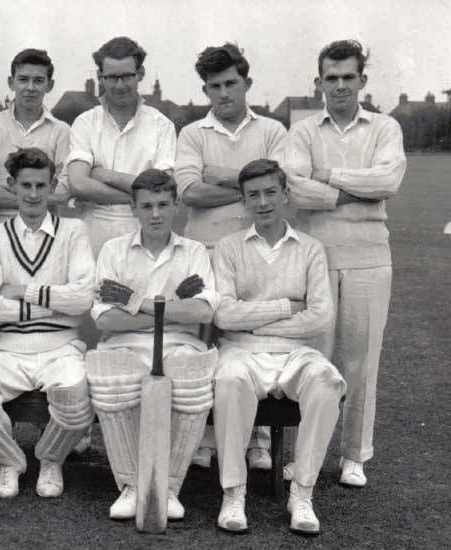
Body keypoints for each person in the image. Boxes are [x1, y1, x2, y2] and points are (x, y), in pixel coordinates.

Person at [284, 40, 406, 488]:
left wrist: (328, 176)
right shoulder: (301, 133)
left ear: (362, 82)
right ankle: (304, 457)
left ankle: (354, 455)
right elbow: (294, 189)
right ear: (318, 82)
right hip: (313, 259)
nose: (339, 85)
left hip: (369, 258)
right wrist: (355, 192)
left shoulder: (385, 127)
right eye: (330, 78)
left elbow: (388, 180)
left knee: (360, 362)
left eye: (347, 77)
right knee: (311, 361)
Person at [0, 148, 95, 499]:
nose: (32, 194)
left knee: (76, 396)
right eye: (25, 184)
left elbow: (83, 300)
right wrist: (56, 304)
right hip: (9, 347)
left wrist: (24, 291)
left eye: (40, 185)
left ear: (52, 185)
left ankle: (51, 459)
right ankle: (8, 461)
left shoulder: (73, 231)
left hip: (62, 347)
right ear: (12, 185)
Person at [211, 159, 345, 535]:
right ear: (243, 201)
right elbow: (223, 315)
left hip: (296, 351)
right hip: (240, 350)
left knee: (327, 381)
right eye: (253, 194)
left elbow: (321, 317)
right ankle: (233, 492)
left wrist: (251, 318)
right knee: (230, 381)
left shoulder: (310, 248)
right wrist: (286, 306)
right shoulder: (228, 247)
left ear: (285, 195)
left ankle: (302, 492)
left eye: (271, 192)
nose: (263, 202)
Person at [174, 43, 287, 471]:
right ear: (205, 90)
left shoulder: (273, 131)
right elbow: (189, 193)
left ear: (247, 83)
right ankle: (204, 435)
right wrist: (253, 185)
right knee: (203, 343)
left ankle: (257, 440)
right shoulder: (191, 134)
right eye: (214, 87)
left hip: (260, 250)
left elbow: (280, 185)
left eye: (230, 84)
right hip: (203, 248)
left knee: (253, 343)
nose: (223, 94)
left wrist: (220, 176)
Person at [88, 169, 219, 521]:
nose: (156, 214)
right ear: (134, 208)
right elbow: (105, 320)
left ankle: (169, 486)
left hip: (180, 342)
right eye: (147, 206)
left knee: (191, 375)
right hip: (122, 342)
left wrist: (133, 300)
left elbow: (203, 312)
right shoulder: (114, 250)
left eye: (163, 204)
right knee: (112, 376)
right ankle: (131, 485)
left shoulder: (194, 251)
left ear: (176, 205)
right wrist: (170, 308)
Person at [67, 36, 176, 257]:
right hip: (91, 231)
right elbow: (78, 184)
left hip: (144, 230)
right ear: (100, 77)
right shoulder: (85, 122)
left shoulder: (161, 125)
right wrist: (141, 196)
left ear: (140, 74)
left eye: (127, 76)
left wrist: (104, 174)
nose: (119, 85)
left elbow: (164, 189)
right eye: (112, 77)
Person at [0, 48, 71, 224]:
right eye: (23, 79)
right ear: (11, 82)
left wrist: (3, 194)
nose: (30, 88)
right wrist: (38, 196)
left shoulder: (62, 130)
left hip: (48, 233)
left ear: (50, 85)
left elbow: (64, 191)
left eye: (38, 81)